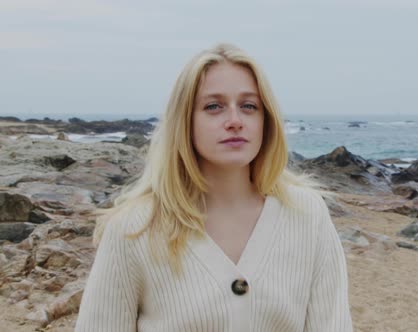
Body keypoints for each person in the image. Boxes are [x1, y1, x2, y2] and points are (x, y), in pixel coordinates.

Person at [75, 43, 353, 331]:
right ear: (185, 121)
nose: (235, 121)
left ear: (265, 120)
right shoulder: (134, 229)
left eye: (249, 106)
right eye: (213, 106)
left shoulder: (307, 214)